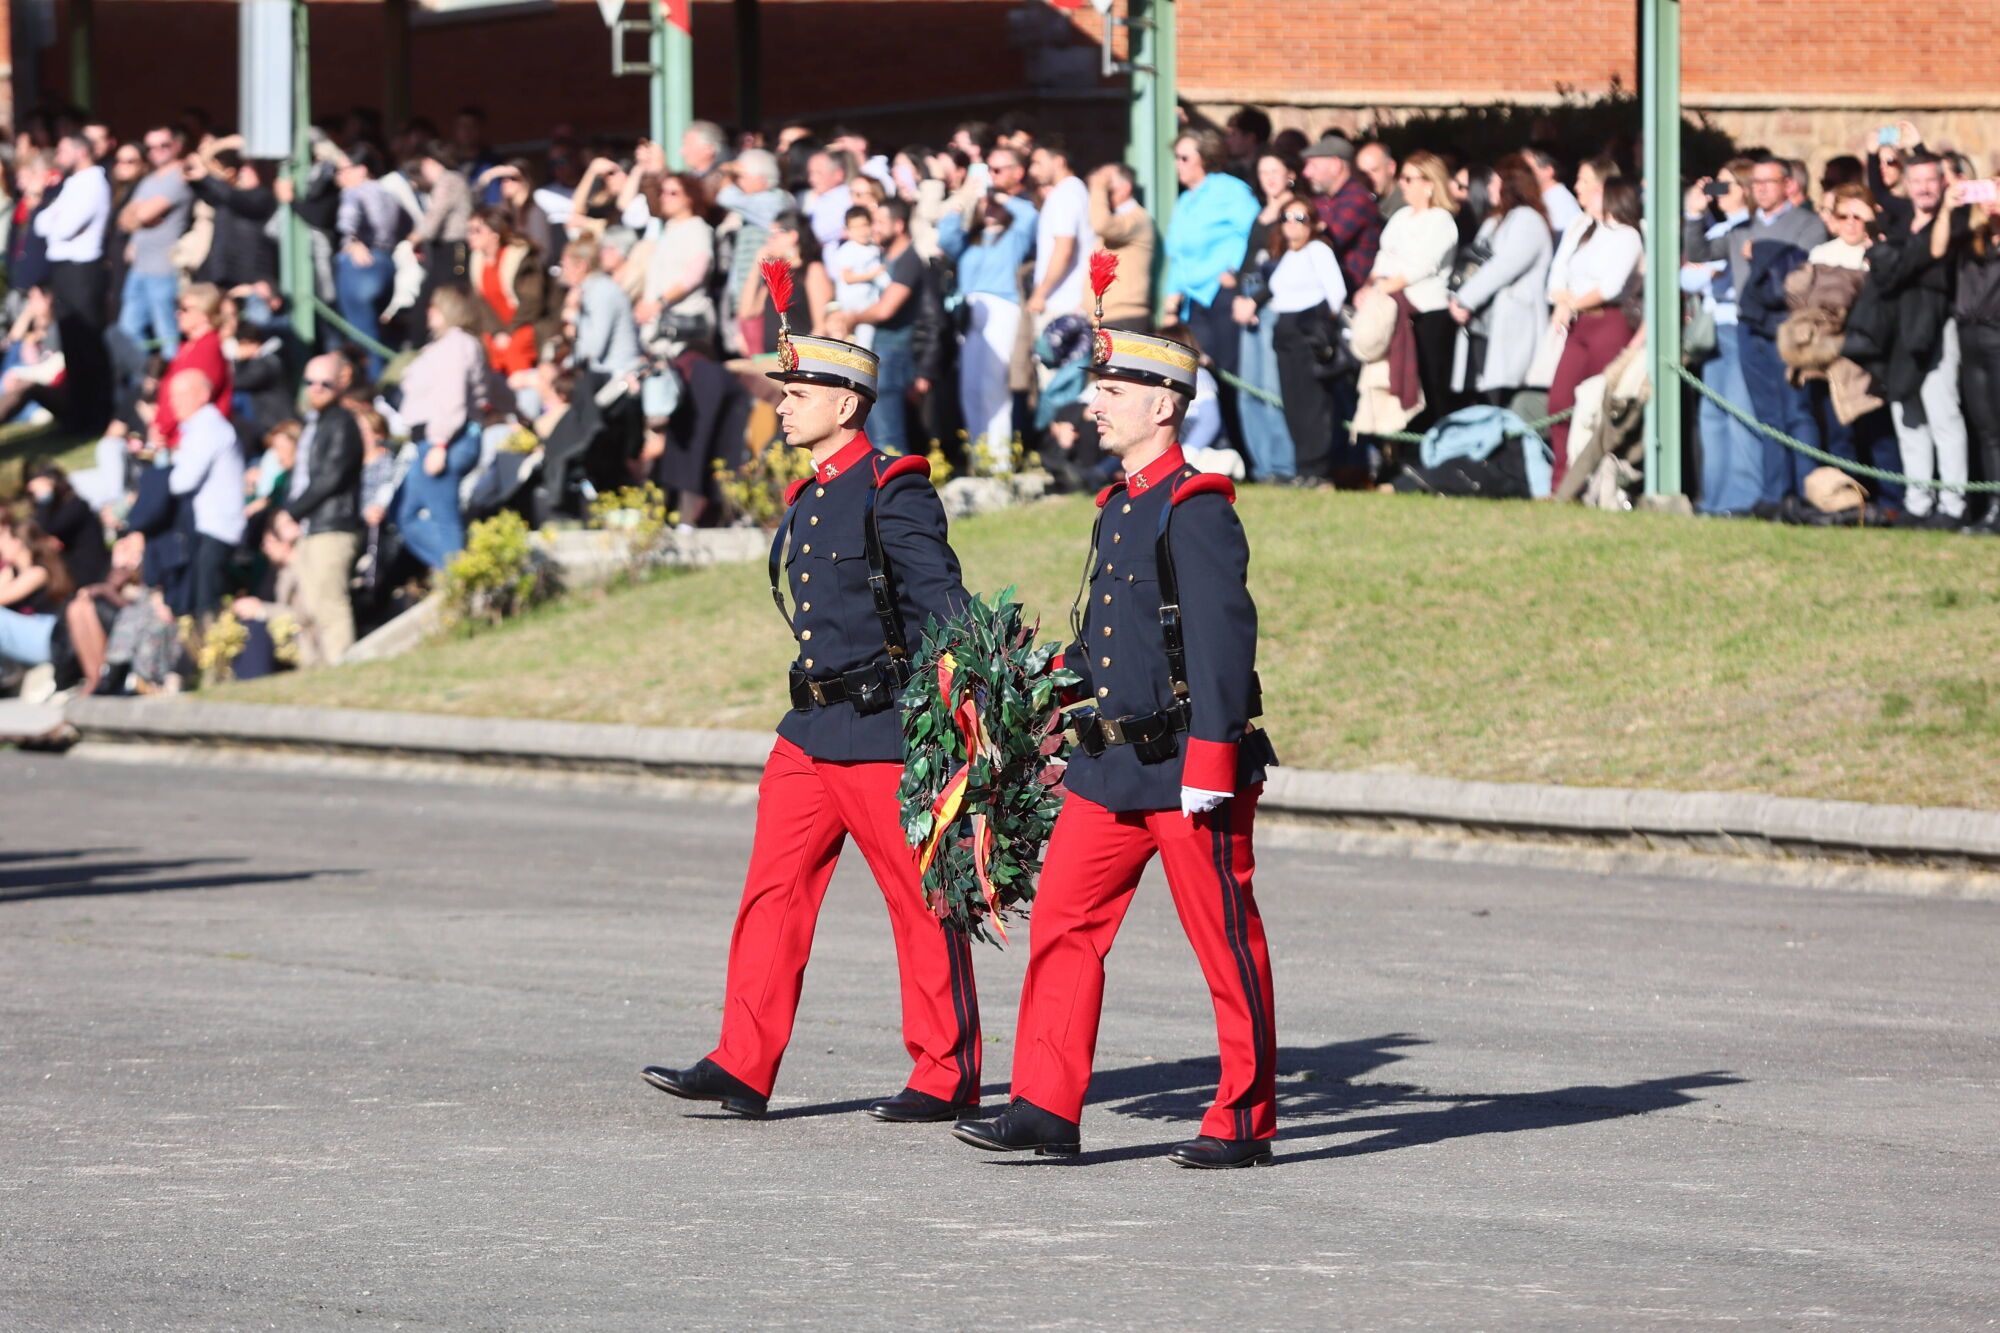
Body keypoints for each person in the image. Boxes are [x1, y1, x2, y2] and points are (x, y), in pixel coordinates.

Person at [954, 324, 1278, 1169]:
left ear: (1163, 406)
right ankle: (1044, 1104)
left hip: (1185, 765)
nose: (1091, 404)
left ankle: (1244, 1115)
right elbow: (1113, 641)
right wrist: (1034, 686)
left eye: (1110, 391)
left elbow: (1222, 642)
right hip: (1112, 765)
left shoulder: (1195, 506)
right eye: (1096, 388)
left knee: (1224, 940)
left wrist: (1213, 758)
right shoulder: (1121, 504)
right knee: (1064, 922)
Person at [641, 323, 981, 1125]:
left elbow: (946, 608)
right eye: (784, 393)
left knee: (921, 901)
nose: (784, 406)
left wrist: (966, 719)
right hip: (808, 730)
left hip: (883, 729)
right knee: (773, 894)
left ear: (847, 403)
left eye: (797, 394)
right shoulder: (810, 494)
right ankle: (742, 1060)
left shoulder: (893, 488)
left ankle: (945, 1071)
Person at [1871, 152, 1967, 528]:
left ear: (1942, 183)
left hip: (1938, 326)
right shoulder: (1899, 218)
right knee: (1907, 416)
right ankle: (1918, 502)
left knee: (1943, 415)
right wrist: (1873, 153)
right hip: (1899, 327)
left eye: (1931, 180)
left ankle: (1953, 505)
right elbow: (1879, 190)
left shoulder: (1955, 219)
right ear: (1906, 185)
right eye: (1917, 181)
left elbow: (1937, 252)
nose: (1924, 188)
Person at [1546, 166, 1644, 491]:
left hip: (1609, 322)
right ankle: (1562, 481)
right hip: (1580, 325)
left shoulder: (1628, 236)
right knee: (1559, 401)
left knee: (1600, 406)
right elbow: (1562, 272)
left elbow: (1611, 286)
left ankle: (1598, 483)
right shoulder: (1586, 229)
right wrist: (1563, 300)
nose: (1586, 193)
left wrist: (1571, 304)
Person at [1162, 130, 1260, 450]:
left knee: (1230, 373)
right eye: (1176, 157)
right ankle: (1217, 445)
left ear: (1205, 158)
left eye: (1184, 158)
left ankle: (1243, 449)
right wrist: (1171, 299)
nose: (1178, 164)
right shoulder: (1185, 200)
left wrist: (1234, 270)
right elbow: (1177, 256)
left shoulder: (1231, 190)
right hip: (1194, 301)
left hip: (1222, 295)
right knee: (1202, 372)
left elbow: (1254, 234)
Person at [1678, 160, 1764, 515]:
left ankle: (1742, 498)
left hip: (1739, 327)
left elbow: (1703, 272)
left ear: (1746, 189)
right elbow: (1688, 276)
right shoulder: (1719, 230)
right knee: (1712, 417)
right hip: (1714, 328)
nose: (1719, 193)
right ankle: (1714, 498)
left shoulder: (1753, 226)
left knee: (1740, 414)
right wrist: (1694, 214)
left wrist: (1709, 272)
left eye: (1727, 186)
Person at [938, 188, 1037, 471]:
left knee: (994, 386)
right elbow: (945, 237)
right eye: (986, 205)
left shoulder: (1014, 237)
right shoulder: (971, 240)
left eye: (994, 205)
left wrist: (1000, 196)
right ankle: (978, 455)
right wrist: (965, 200)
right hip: (970, 311)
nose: (990, 208)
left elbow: (1030, 217)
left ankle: (999, 459)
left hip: (1001, 309)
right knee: (970, 386)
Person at [275, 355, 365, 664]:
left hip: (333, 525)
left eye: (324, 383)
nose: (316, 388)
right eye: (309, 382)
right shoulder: (314, 424)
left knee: (330, 605)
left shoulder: (342, 423)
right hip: (311, 526)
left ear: (341, 383)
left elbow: (331, 477)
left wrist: (292, 512)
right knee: (311, 607)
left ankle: (343, 670)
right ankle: (322, 672)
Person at [1450, 152, 1555, 407]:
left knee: (1505, 401)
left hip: (1512, 324)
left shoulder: (1528, 219)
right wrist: (1456, 294)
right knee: (1485, 398)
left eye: (1495, 182)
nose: (1489, 189)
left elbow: (1503, 267)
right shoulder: (1497, 221)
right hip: (1483, 325)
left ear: (1511, 184)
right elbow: (1475, 263)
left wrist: (1464, 299)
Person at [394, 288, 489, 571]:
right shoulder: (454, 345)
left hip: (445, 440)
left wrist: (440, 443)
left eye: (434, 308)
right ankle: (457, 570)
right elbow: (489, 386)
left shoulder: (456, 345)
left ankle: (461, 574)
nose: (429, 313)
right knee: (407, 514)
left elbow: (452, 397)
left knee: (443, 518)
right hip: (433, 441)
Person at [1365, 150, 1460, 426]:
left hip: (1427, 314)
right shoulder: (1401, 216)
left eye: (1409, 179)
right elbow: (1384, 256)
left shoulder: (1441, 220)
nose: (1402, 184)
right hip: (1394, 312)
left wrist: (1385, 287)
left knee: (1430, 389)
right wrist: (1372, 284)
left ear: (1429, 184)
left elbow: (1423, 265)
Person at [827, 199, 924, 454]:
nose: (874, 228)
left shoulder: (909, 260)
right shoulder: (881, 256)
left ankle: (898, 480)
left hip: (892, 354)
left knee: (888, 438)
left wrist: (852, 318)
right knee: (870, 437)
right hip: (874, 352)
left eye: (880, 222)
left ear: (899, 225)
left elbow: (885, 309)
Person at [1229, 150, 1303, 481]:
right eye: (1263, 172)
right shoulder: (1260, 214)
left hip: (1273, 303)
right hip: (1249, 301)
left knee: (1274, 389)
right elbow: (1248, 261)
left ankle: (1283, 465)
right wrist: (1238, 297)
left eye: (1275, 171)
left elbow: (1288, 264)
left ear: (1290, 174)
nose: (1269, 178)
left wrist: (1256, 301)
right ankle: (1262, 467)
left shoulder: (1294, 212)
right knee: (1249, 389)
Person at [1264, 201, 1349, 485]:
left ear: (1312, 222)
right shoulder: (1286, 255)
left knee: (1313, 402)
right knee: (1293, 402)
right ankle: (1303, 467)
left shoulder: (1318, 250)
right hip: (1284, 334)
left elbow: (1336, 293)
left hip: (1307, 332)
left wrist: (1322, 329)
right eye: (1285, 217)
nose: (1291, 222)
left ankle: (1318, 469)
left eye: (1299, 217)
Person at [35, 131, 114, 434]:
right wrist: (54, 219)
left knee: (88, 343)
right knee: (71, 343)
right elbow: (42, 223)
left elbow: (64, 227)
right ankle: (79, 413)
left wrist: (55, 219)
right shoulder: (72, 184)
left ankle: (98, 415)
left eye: (63, 150)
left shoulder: (93, 183)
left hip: (82, 270)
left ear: (81, 152)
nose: (59, 156)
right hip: (64, 269)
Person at [1939, 176, 2000, 532]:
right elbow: (1937, 247)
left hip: (1997, 335)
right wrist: (1950, 205)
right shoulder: (1971, 239)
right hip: (1970, 337)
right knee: (1986, 428)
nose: (1992, 199)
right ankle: (1993, 508)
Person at [166, 370, 246, 617]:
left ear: (202, 395)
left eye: (181, 395)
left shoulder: (208, 428)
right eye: (172, 396)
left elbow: (181, 481)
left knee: (207, 606)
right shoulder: (199, 428)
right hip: (209, 526)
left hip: (219, 528)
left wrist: (167, 468)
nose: (174, 402)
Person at [115, 125, 192, 359]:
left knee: (167, 334)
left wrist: (140, 215)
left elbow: (142, 214)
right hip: (139, 266)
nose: (156, 151)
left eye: (163, 145)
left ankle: (171, 376)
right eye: (150, 147)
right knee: (127, 331)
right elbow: (125, 219)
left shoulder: (179, 177)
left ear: (176, 146)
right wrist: (139, 216)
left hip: (164, 268)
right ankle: (144, 375)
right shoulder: (149, 180)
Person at [466, 204, 561, 387]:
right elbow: (481, 304)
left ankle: (524, 399)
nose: (470, 236)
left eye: (476, 230)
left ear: (494, 234)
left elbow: (532, 302)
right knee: (484, 351)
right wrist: (497, 332)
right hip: (498, 329)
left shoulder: (521, 258)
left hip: (527, 324)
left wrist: (509, 333)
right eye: (469, 230)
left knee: (515, 352)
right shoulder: (477, 261)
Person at [334, 144, 404, 379]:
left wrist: (352, 241)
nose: (339, 176)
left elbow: (347, 221)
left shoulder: (353, 192)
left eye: (344, 169)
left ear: (361, 169)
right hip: (386, 263)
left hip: (360, 265)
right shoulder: (388, 193)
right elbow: (406, 225)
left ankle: (372, 389)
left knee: (362, 338)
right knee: (379, 333)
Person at [638, 173, 716, 353]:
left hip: (685, 326)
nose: (665, 197)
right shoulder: (669, 229)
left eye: (673, 193)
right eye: (663, 192)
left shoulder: (697, 229)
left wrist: (659, 303)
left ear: (689, 198)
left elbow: (695, 275)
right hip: (660, 325)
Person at [153, 283, 234, 449]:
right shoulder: (189, 347)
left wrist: (163, 428)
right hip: (174, 438)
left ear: (204, 314)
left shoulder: (208, 348)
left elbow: (191, 398)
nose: (178, 313)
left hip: (192, 441)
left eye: (185, 309)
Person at [1302, 134, 1383, 299]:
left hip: (1351, 292)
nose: (1306, 173)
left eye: (1313, 165)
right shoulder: (1321, 200)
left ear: (1335, 165)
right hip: (1320, 286)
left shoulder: (1357, 199)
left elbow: (1326, 241)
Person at [1026, 136, 1096, 327]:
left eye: (1038, 163)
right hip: (1069, 301)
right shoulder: (1075, 191)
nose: (1033, 170)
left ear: (1059, 161)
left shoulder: (1065, 194)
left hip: (1061, 304)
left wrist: (1040, 294)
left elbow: (1064, 248)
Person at [0, 513, 75, 673]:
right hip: (34, 637)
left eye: (3, 539)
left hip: (49, 639)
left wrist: (8, 569)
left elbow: (1, 598)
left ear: (17, 542)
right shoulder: (15, 572)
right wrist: (9, 569)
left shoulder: (38, 572)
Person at [562, 237, 642, 381]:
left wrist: (574, 316)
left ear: (581, 266)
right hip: (603, 373)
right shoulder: (591, 290)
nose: (563, 272)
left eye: (565, 266)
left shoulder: (602, 292)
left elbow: (594, 348)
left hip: (618, 376)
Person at [1087, 163, 1155, 328]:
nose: (1103, 192)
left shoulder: (1137, 218)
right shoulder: (1115, 219)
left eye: (1108, 185)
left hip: (1125, 317)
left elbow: (1102, 224)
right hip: (1103, 317)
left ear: (1125, 188)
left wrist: (1098, 186)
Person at [24, 460, 110, 589]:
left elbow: (44, 529)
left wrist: (45, 497)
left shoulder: (76, 506)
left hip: (92, 575)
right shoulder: (55, 511)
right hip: (76, 574)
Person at [829, 204, 888, 350]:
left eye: (864, 225)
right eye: (855, 227)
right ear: (847, 230)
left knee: (865, 343)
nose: (861, 231)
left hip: (869, 306)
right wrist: (872, 275)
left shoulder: (875, 248)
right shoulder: (847, 250)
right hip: (850, 307)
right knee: (844, 341)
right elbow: (848, 278)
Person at [804, 149, 854, 251]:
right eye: (810, 173)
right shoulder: (820, 198)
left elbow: (817, 235)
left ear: (838, 174)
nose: (812, 179)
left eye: (818, 173)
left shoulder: (844, 200)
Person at [1527, 145, 1582, 235]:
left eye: (1529, 170)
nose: (1522, 175)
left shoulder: (1559, 201)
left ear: (1548, 171)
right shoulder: (1548, 197)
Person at [1356, 139, 1403, 217]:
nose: (1369, 178)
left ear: (1391, 167)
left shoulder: (1406, 206)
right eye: (1364, 174)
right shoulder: (1364, 202)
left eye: (1374, 170)